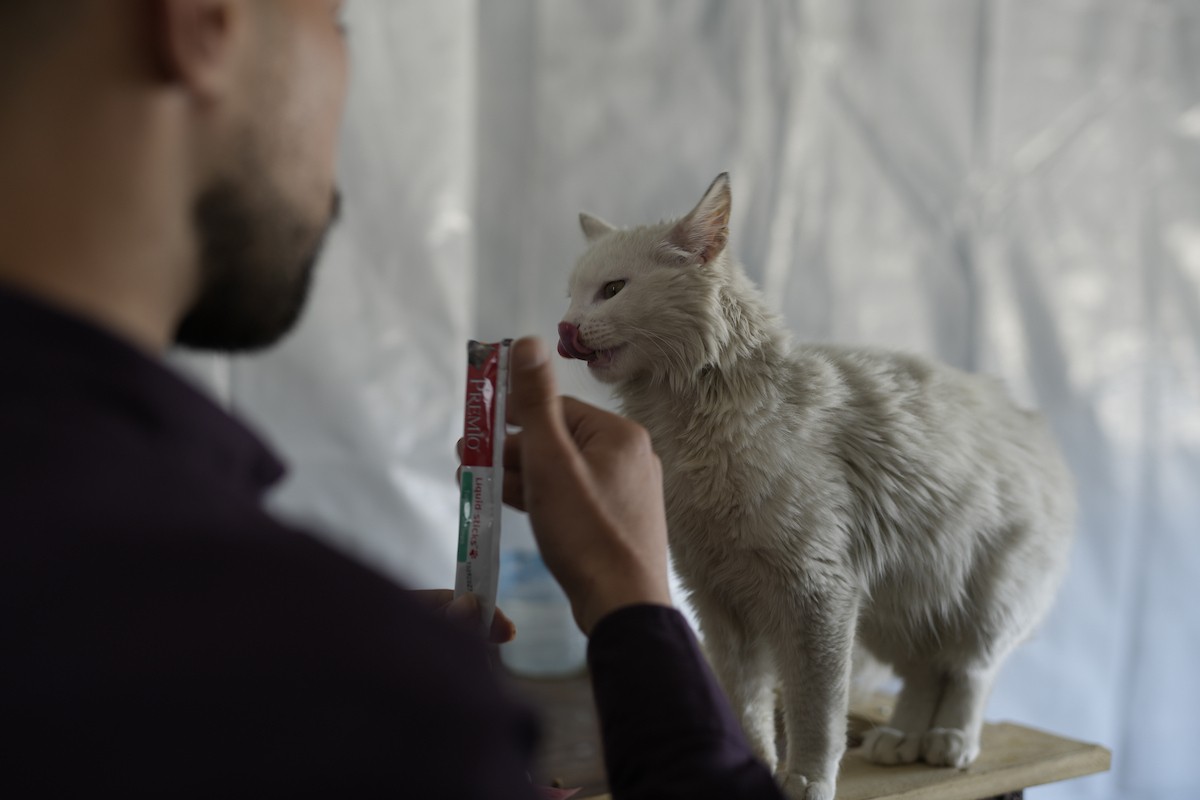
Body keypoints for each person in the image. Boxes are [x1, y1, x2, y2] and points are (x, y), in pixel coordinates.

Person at [0, 2, 784, 797]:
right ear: (206, 24)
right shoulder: (387, 706)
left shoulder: (113, 613)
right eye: (335, 24)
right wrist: (634, 605)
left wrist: (288, 659)